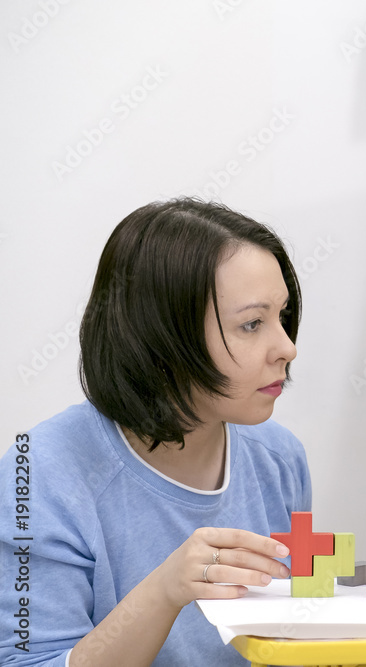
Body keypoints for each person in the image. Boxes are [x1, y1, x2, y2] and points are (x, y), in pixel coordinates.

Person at [0, 198, 310, 666]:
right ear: (161, 336)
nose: (286, 347)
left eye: (282, 317)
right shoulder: (41, 471)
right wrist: (166, 591)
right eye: (251, 323)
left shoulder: (280, 457)